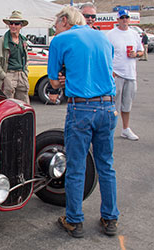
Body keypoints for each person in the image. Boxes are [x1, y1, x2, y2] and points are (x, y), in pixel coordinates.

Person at [48, 6, 119, 238]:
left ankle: (74, 220)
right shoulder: (102, 37)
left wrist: (62, 79)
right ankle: (110, 219)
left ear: (65, 20)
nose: (54, 27)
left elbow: (54, 83)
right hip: (108, 106)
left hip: (82, 108)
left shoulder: (61, 40)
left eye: (56, 22)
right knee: (106, 165)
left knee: (77, 167)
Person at [106, 9, 143, 141]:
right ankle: (110, 130)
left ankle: (125, 129)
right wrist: (111, 71)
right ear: (118, 19)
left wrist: (136, 54)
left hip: (131, 74)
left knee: (127, 104)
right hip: (117, 74)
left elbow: (141, 51)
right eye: (122, 18)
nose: (124, 20)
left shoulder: (134, 34)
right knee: (114, 105)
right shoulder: (111, 34)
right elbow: (106, 54)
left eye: (126, 17)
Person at [0, 10, 30, 104]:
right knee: (8, 104)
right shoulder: (2, 41)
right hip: (8, 73)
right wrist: (4, 77)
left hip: (21, 74)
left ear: (21, 25)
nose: (13, 26)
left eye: (16, 23)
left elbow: (26, 59)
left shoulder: (23, 41)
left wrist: (25, 72)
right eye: (11, 23)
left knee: (24, 104)